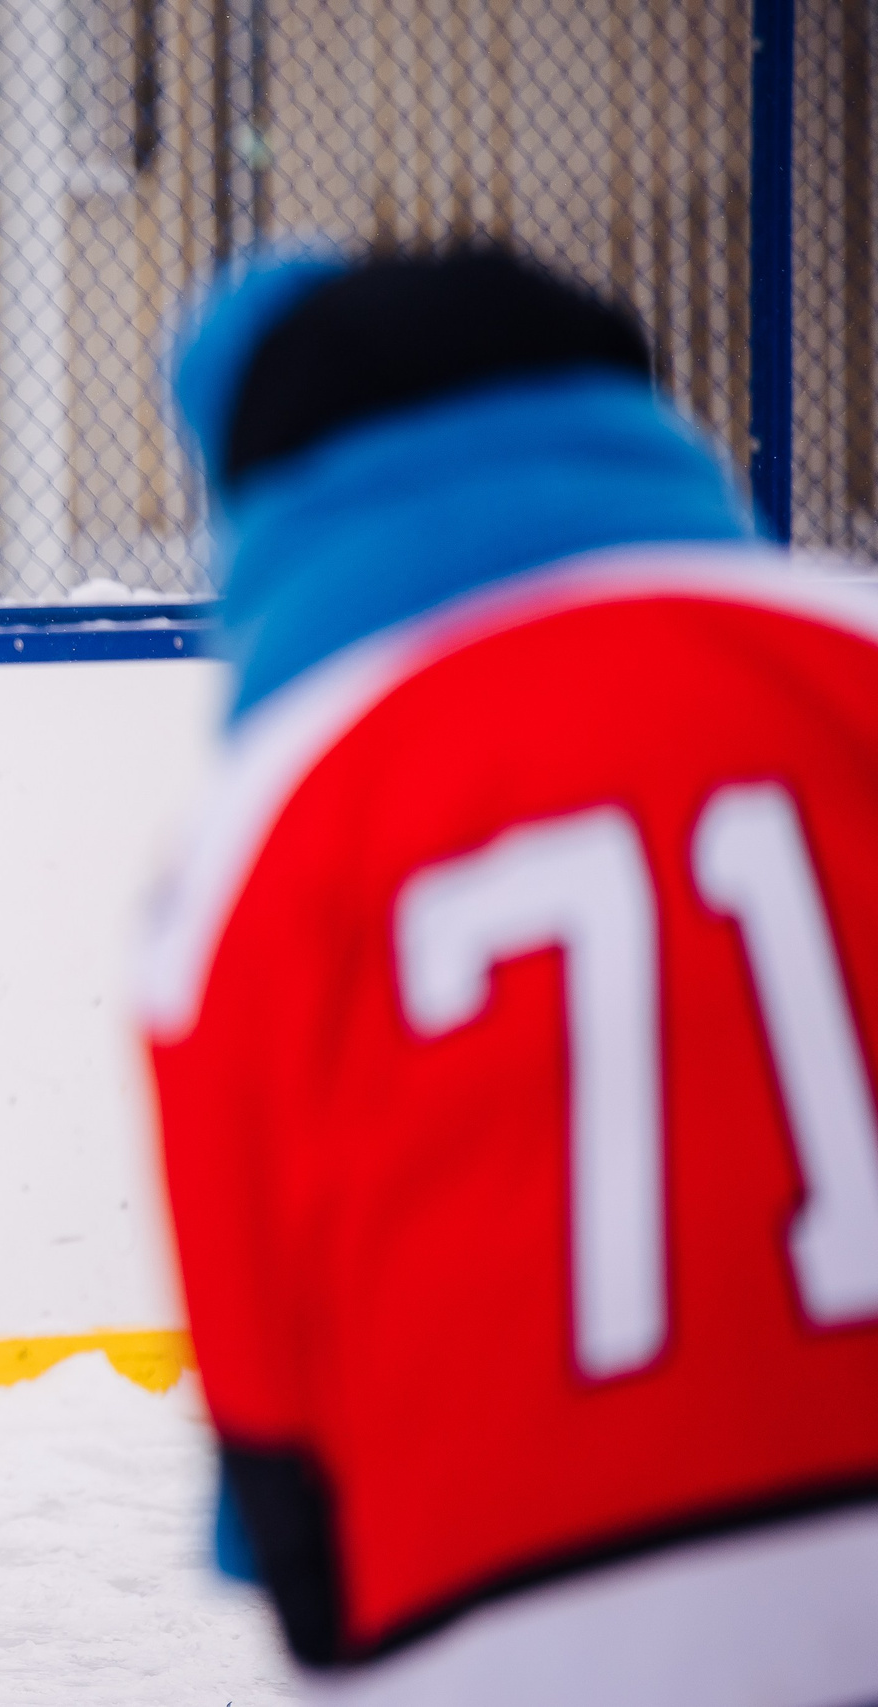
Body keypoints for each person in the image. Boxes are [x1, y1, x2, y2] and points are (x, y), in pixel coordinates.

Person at [142, 247, 878, 1704]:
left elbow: (257, 1324)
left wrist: (302, 1568)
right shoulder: (845, 662)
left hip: (498, 1595)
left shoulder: (280, 805)